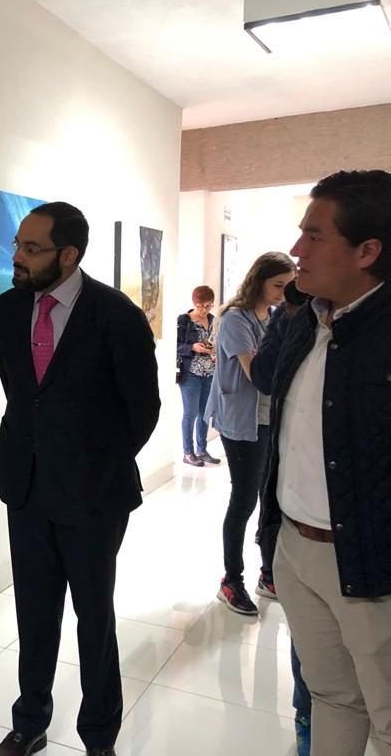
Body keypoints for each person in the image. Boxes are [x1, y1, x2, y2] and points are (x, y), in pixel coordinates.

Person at [0, 202, 160, 756]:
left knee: (94, 618)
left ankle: (99, 737)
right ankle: (30, 721)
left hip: (94, 497)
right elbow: (23, 397)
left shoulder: (116, 315)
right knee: (34, 614)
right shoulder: (9, 309)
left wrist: (96, 465)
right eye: (17, 245)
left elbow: (143, 408)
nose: (18, 256)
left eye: (31, 248)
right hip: (27, 489)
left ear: (68, 255)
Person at [262, 170, 391, 755]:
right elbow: (268, 387)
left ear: (367, 251)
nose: (297, 250)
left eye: (314, 236)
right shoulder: (306, 321)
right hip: (296, 546)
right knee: (332, 697)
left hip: (370, 564)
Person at [204, 251, 294, 616]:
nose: (284, 294)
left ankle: (268, 574)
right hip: (242, 423)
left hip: (269, 419)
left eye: (289, 287)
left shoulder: (272, 317)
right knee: (243, 501)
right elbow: (258, 373)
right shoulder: (235, 319)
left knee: (269, 497)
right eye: (278, 285)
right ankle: (231, 580)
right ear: (259, 280)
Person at [249, 280, 313, 756]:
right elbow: (265, 377)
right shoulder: (295, 318)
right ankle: (307, 721)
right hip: (295, 520)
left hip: (361, 526)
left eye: (315, 242)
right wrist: (287, 317)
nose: (298, 250)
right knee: (308, 644)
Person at [176, 285, 219, 467]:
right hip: (191, 373)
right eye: (202, 306)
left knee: (205, 413)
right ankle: (188, 452)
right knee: (190, 413)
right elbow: (176, 345)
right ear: (195, 303)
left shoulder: (213, 320)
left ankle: (202, 450)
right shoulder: (184, 320)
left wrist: (214, 350)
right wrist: (193, 347)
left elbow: (218, 342)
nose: (205, 310)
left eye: (209, 306)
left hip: (210, 372)